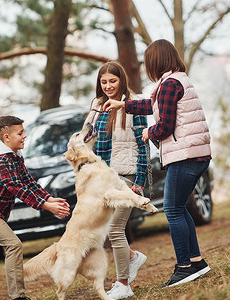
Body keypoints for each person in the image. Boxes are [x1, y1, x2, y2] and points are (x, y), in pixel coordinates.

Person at [104, 39, 212, 288]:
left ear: (156, 61)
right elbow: (153, 106)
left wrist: (148, 133)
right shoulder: (178, 79)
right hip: (196, 154)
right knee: (180, 208)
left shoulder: (169, 84)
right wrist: (124, 104)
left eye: (148, 61)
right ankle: (196, 262)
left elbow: (165, 125)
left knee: (172, 210)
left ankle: (184, 267)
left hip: (184, 156)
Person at [0, 115, 70, 300]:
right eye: (20, 133)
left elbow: (28, 181)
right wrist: (46, 206)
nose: (25, 136)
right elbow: (17, 188)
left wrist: (48, 198)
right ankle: (18, 297)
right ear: (6, 137)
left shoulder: (14, 157)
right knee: (13, 245)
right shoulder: (0, 161)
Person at [84, 60, 148, 299]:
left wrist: (140, 181)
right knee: (107, 228)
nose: (109, 85)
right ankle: (132, 258)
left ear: (121, 80)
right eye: (104, 82)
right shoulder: (98, 105)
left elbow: (144, 147)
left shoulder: (133, 106)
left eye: (113, 81)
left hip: (127, 175)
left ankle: (123, 284)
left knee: (115, 228)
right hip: (104, 177)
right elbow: (88, 138)